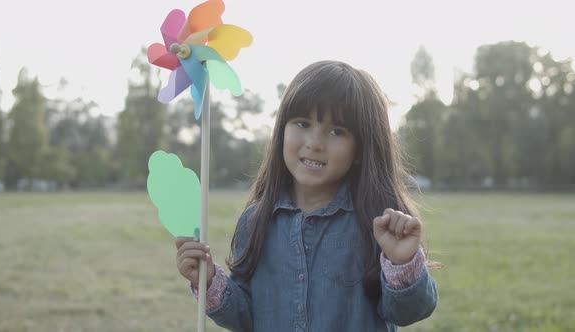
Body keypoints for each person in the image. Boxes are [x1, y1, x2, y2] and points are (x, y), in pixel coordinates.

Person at [175, 60, 438, 331]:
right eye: (302, 123)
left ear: (361, 148)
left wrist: (402, 261)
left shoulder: (377, 225)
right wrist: (207, 281)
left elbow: (409, 311)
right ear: (281, 131)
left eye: (337, 131)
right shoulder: (255, 221)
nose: (314, 143)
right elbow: (245, 317)